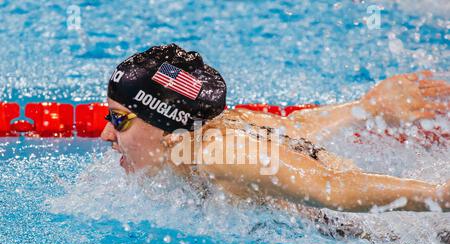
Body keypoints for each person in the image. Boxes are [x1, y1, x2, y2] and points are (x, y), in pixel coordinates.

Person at [102, 43, 450, 215]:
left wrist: (441, 195)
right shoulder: (218, 127)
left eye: (119, 120)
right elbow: (293, 129)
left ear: (166, 126)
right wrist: (365, 109)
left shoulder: (217, 154)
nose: (106, 135)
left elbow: (335, 187)